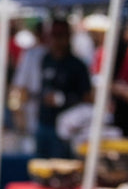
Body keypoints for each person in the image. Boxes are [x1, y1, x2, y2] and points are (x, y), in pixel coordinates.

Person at [35, 19, 91, 158]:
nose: (57, 41)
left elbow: (87, 96)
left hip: (66, 127)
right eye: (54, 36)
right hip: (44, 123)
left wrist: (63, 99)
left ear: (68, 37)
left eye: (61, 36)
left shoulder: (77, 65)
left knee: (60, 163)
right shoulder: (45, 59)